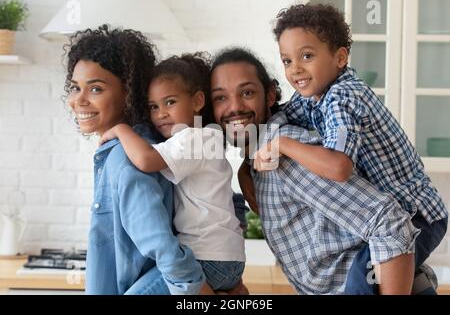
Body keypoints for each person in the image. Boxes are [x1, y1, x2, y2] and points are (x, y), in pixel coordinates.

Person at [253, 3, 447, 294]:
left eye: (306, 56)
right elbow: (279, 116)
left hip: (417, 215)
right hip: (401, 217)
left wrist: (283, 144)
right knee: (376, 275)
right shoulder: (312, 96)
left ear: (340, 57)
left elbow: (339, 167)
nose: (296, 69)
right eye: (287, 61)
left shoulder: (343, 95)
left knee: (361, 280)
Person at [210, 47, 422, 295]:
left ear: (269, 95)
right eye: (220, 98)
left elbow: (390, 222)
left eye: (247, 92)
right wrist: (245, 168)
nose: (234, 107)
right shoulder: (260, 159)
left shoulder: (284, 157)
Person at [64, 25, 205, 295]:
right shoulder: (136, 148)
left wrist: (195, 291)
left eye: (95, 89)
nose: (78, 100)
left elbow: (162, 247)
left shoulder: (126, 160)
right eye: (75, 87)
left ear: (129, 93)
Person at [99, 52, 246, 293]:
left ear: (198, 101)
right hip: (226, 259)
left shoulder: (193, 137)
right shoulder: (204, 139)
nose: (160, 114)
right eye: (153, 107)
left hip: (205, 257)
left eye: (170, 102)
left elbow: (146, 159)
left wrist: (121, 130)